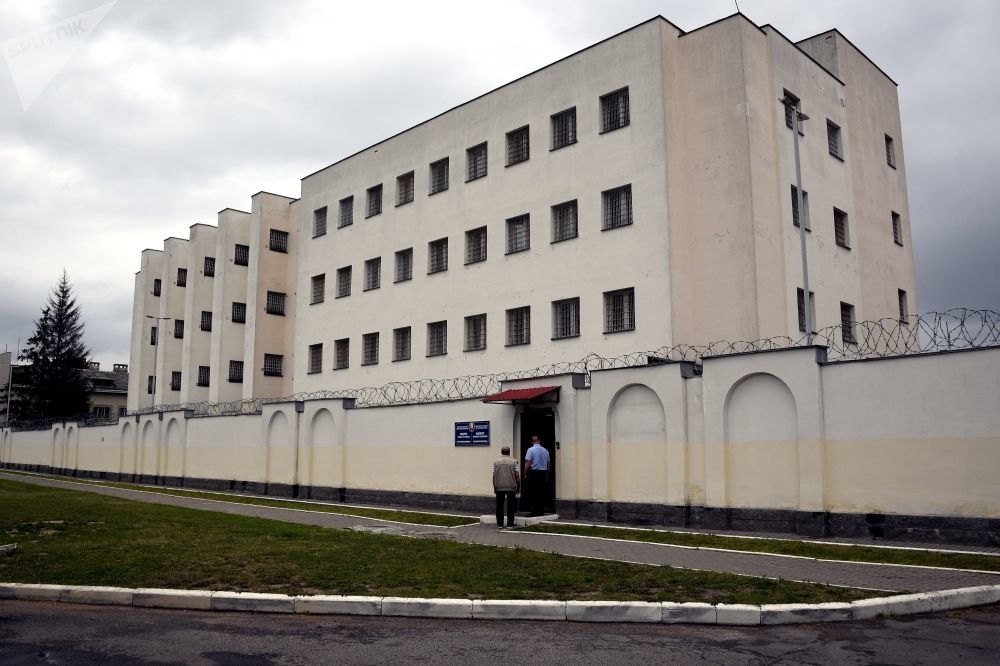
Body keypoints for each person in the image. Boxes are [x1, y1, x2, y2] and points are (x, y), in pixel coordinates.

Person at [492, 446, 520, 529]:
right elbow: (517, 476)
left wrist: (494, 486)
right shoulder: (514, 462)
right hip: (511, 486)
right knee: (511, 506)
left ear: (501, 452)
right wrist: (518, 487)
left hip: (499, 486)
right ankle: (510, 524)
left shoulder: (496, 462)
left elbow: (494, 476)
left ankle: (500, 524)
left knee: (499, 506)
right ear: (509, 452)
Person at [523, 434, 550, 517]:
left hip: (534, 473)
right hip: (543, 473)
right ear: (539, 441)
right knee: (542, 492)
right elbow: (548, 464)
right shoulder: (546, 451)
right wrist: (547, 474)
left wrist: (525, 473)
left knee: (532, 492)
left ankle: (534, 511)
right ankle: (541, 510)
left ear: (532, 442)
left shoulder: (530, 450)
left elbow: (528, 463)